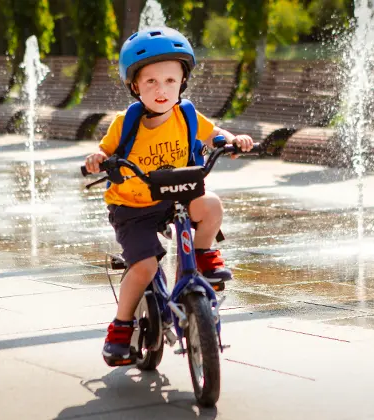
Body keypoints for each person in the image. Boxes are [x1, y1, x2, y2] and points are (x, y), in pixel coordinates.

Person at [84, 27, 254, 365]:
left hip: (173, 196)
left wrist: (233, 141)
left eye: (170, 81)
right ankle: (121, 326)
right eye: (151, 82)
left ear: (182, 82)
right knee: (144, 266)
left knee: (211, 205)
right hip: (132, 208)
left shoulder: (187, 115)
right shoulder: (125, 122)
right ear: (135, 86)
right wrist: (97, 160)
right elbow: (103, 153)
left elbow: (214, 134)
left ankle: (203, 255)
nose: (162, 90)